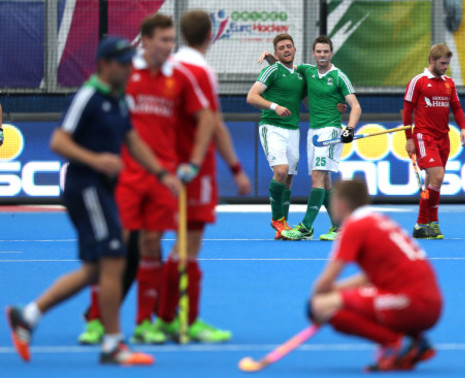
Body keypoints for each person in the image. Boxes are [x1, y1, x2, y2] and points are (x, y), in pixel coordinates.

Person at [6, 36, 181, 365]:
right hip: (84, 186)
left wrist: (161, 173)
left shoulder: (118, 99)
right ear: (105, 64)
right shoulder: (87, 96)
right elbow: (58, 141)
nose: (129, 68)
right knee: (114, 259)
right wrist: (96, 159)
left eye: (131, 62)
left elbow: (132, 139)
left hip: (102, 189)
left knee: (97, 268)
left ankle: (27, 315)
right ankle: (112, 344)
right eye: (123, 63)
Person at [78, 13, 215, 345]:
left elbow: (207, 118)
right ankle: (96, 321)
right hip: (125, 173)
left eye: (172, 40)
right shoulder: (125, 73)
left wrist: (194, 163)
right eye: (163, 40)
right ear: (146, 40)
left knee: (152, 244)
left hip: (162, 173)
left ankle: (144, 323)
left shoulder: (180, 77)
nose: (169, 46)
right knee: (118, 246)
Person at [155, 9, 252, 343]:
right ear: (211, 35)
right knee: (189, 245)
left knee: (173, 244)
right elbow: (214, 123)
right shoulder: (200, 70)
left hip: (167, 164)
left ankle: (163, 317)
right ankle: (188, 320)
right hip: (194, 168)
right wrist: (236, 169)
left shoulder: (169, 67)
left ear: (181, 34)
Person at [308, 180, 443, 371]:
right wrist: (336, 291)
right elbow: (370, 277)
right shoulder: (380, 220)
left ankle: (398, 343)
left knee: (321, 305)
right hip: (430, 303)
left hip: (413, 303)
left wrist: (316, 304)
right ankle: (414, 340)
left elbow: (324, 283)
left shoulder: (354, 226)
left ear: (341, 205)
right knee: (336, 299)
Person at [281, 36, 362, 241]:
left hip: (331, 132)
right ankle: (339, 227)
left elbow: (356, 106)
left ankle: (306, 227)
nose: (322, 55)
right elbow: (286, 67)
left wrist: (349, 129)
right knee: (324, 182)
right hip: (313, 133)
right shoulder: (307, 71)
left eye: (326, 51)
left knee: (317, 176)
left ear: (331, 53)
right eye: (319, 51)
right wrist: (270, 58)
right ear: (314, 53)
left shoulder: (338, 76)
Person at [403, 43, 465, 240]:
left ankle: (430, 224)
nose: (445, 67)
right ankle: (423, 222)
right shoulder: (419, 81)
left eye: (447, 64)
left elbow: (456, 107)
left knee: (433, 181)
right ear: (431, 61)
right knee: (437, 177)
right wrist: (409, 139)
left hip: (444, 137)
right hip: (424, 136)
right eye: (442, 63)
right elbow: (407, 111)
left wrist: (463, 128)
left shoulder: (449, 83)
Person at [247, 33, 306, 239]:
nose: (286, 50)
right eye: (281, 48)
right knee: (280, 171)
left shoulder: (300, 75)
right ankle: (276, 219)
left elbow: (310, 102)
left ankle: (283, 226)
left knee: (288, 178)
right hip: (272, 127)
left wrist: (336, 108)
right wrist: (275, 107)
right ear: (277, 52)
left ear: (295, 49)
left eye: (289, 46)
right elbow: (252, 96)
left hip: (293, 130)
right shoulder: (271, 70)